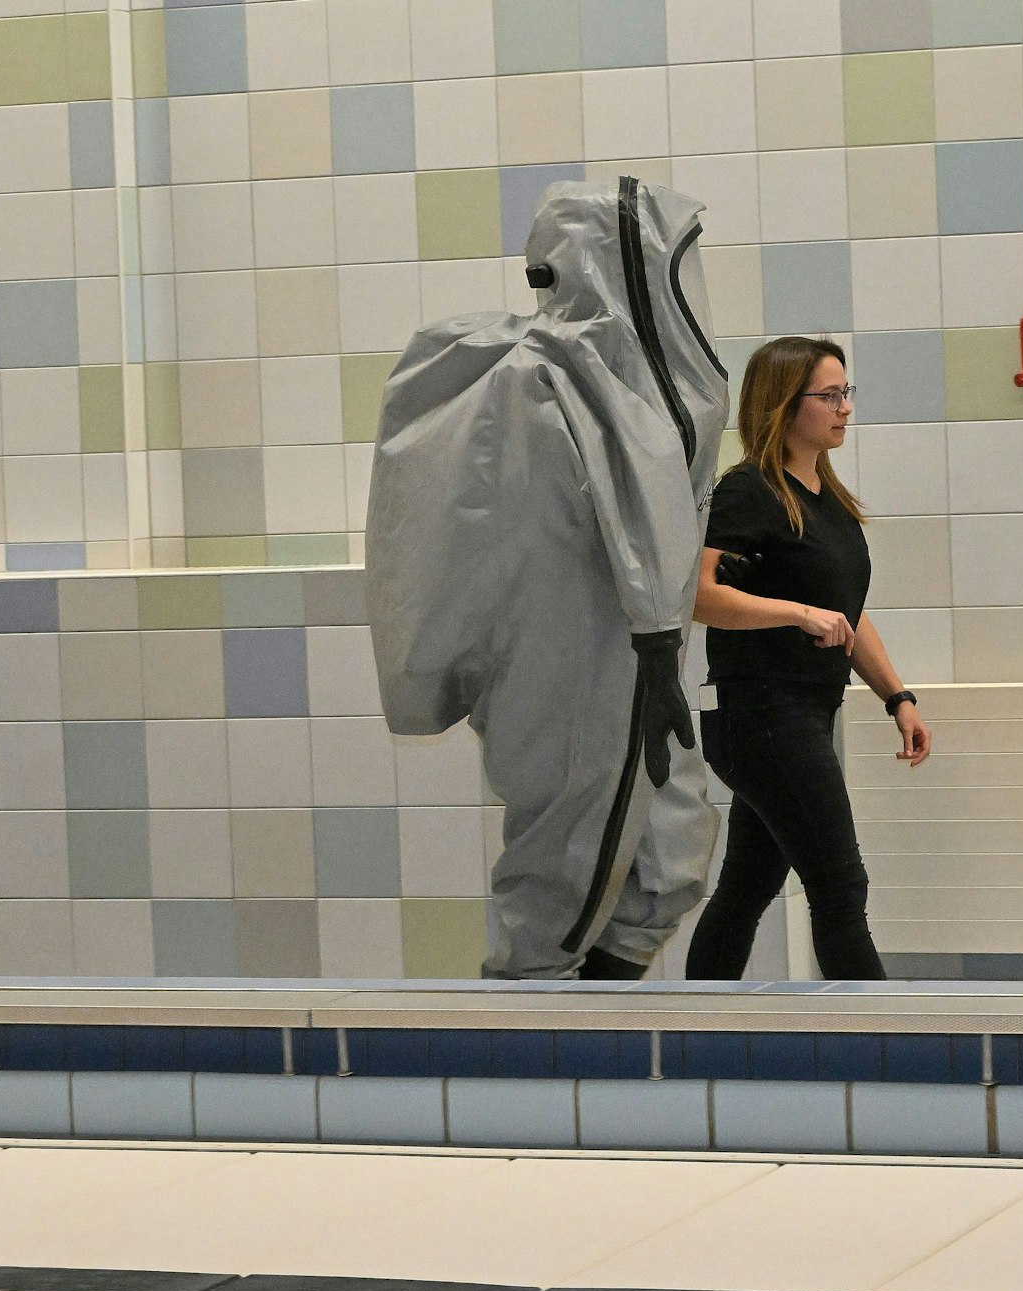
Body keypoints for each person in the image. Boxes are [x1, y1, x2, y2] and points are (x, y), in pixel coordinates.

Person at [365, 178, 728, 980]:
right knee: (568, 866)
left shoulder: (590, 380)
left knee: (666, 861)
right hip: (578, 660)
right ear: (624, 267)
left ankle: (585, 1044)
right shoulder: (544, 379)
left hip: (627, 657)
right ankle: (529, 1055)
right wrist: (657, 635)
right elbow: (621, 529)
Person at [685, 336, 932, 981]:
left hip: (799, 715)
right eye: (828, 395)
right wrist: (795, 613)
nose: (843, 408)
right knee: (840, 885)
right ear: (783, 404)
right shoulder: (747, 492)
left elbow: (844, 610)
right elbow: (702, 596)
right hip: (760, 715)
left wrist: (896, 696)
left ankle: (694, 1032)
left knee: (745, 889)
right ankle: (878, 1045)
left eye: (845, 393)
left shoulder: (827, 499)